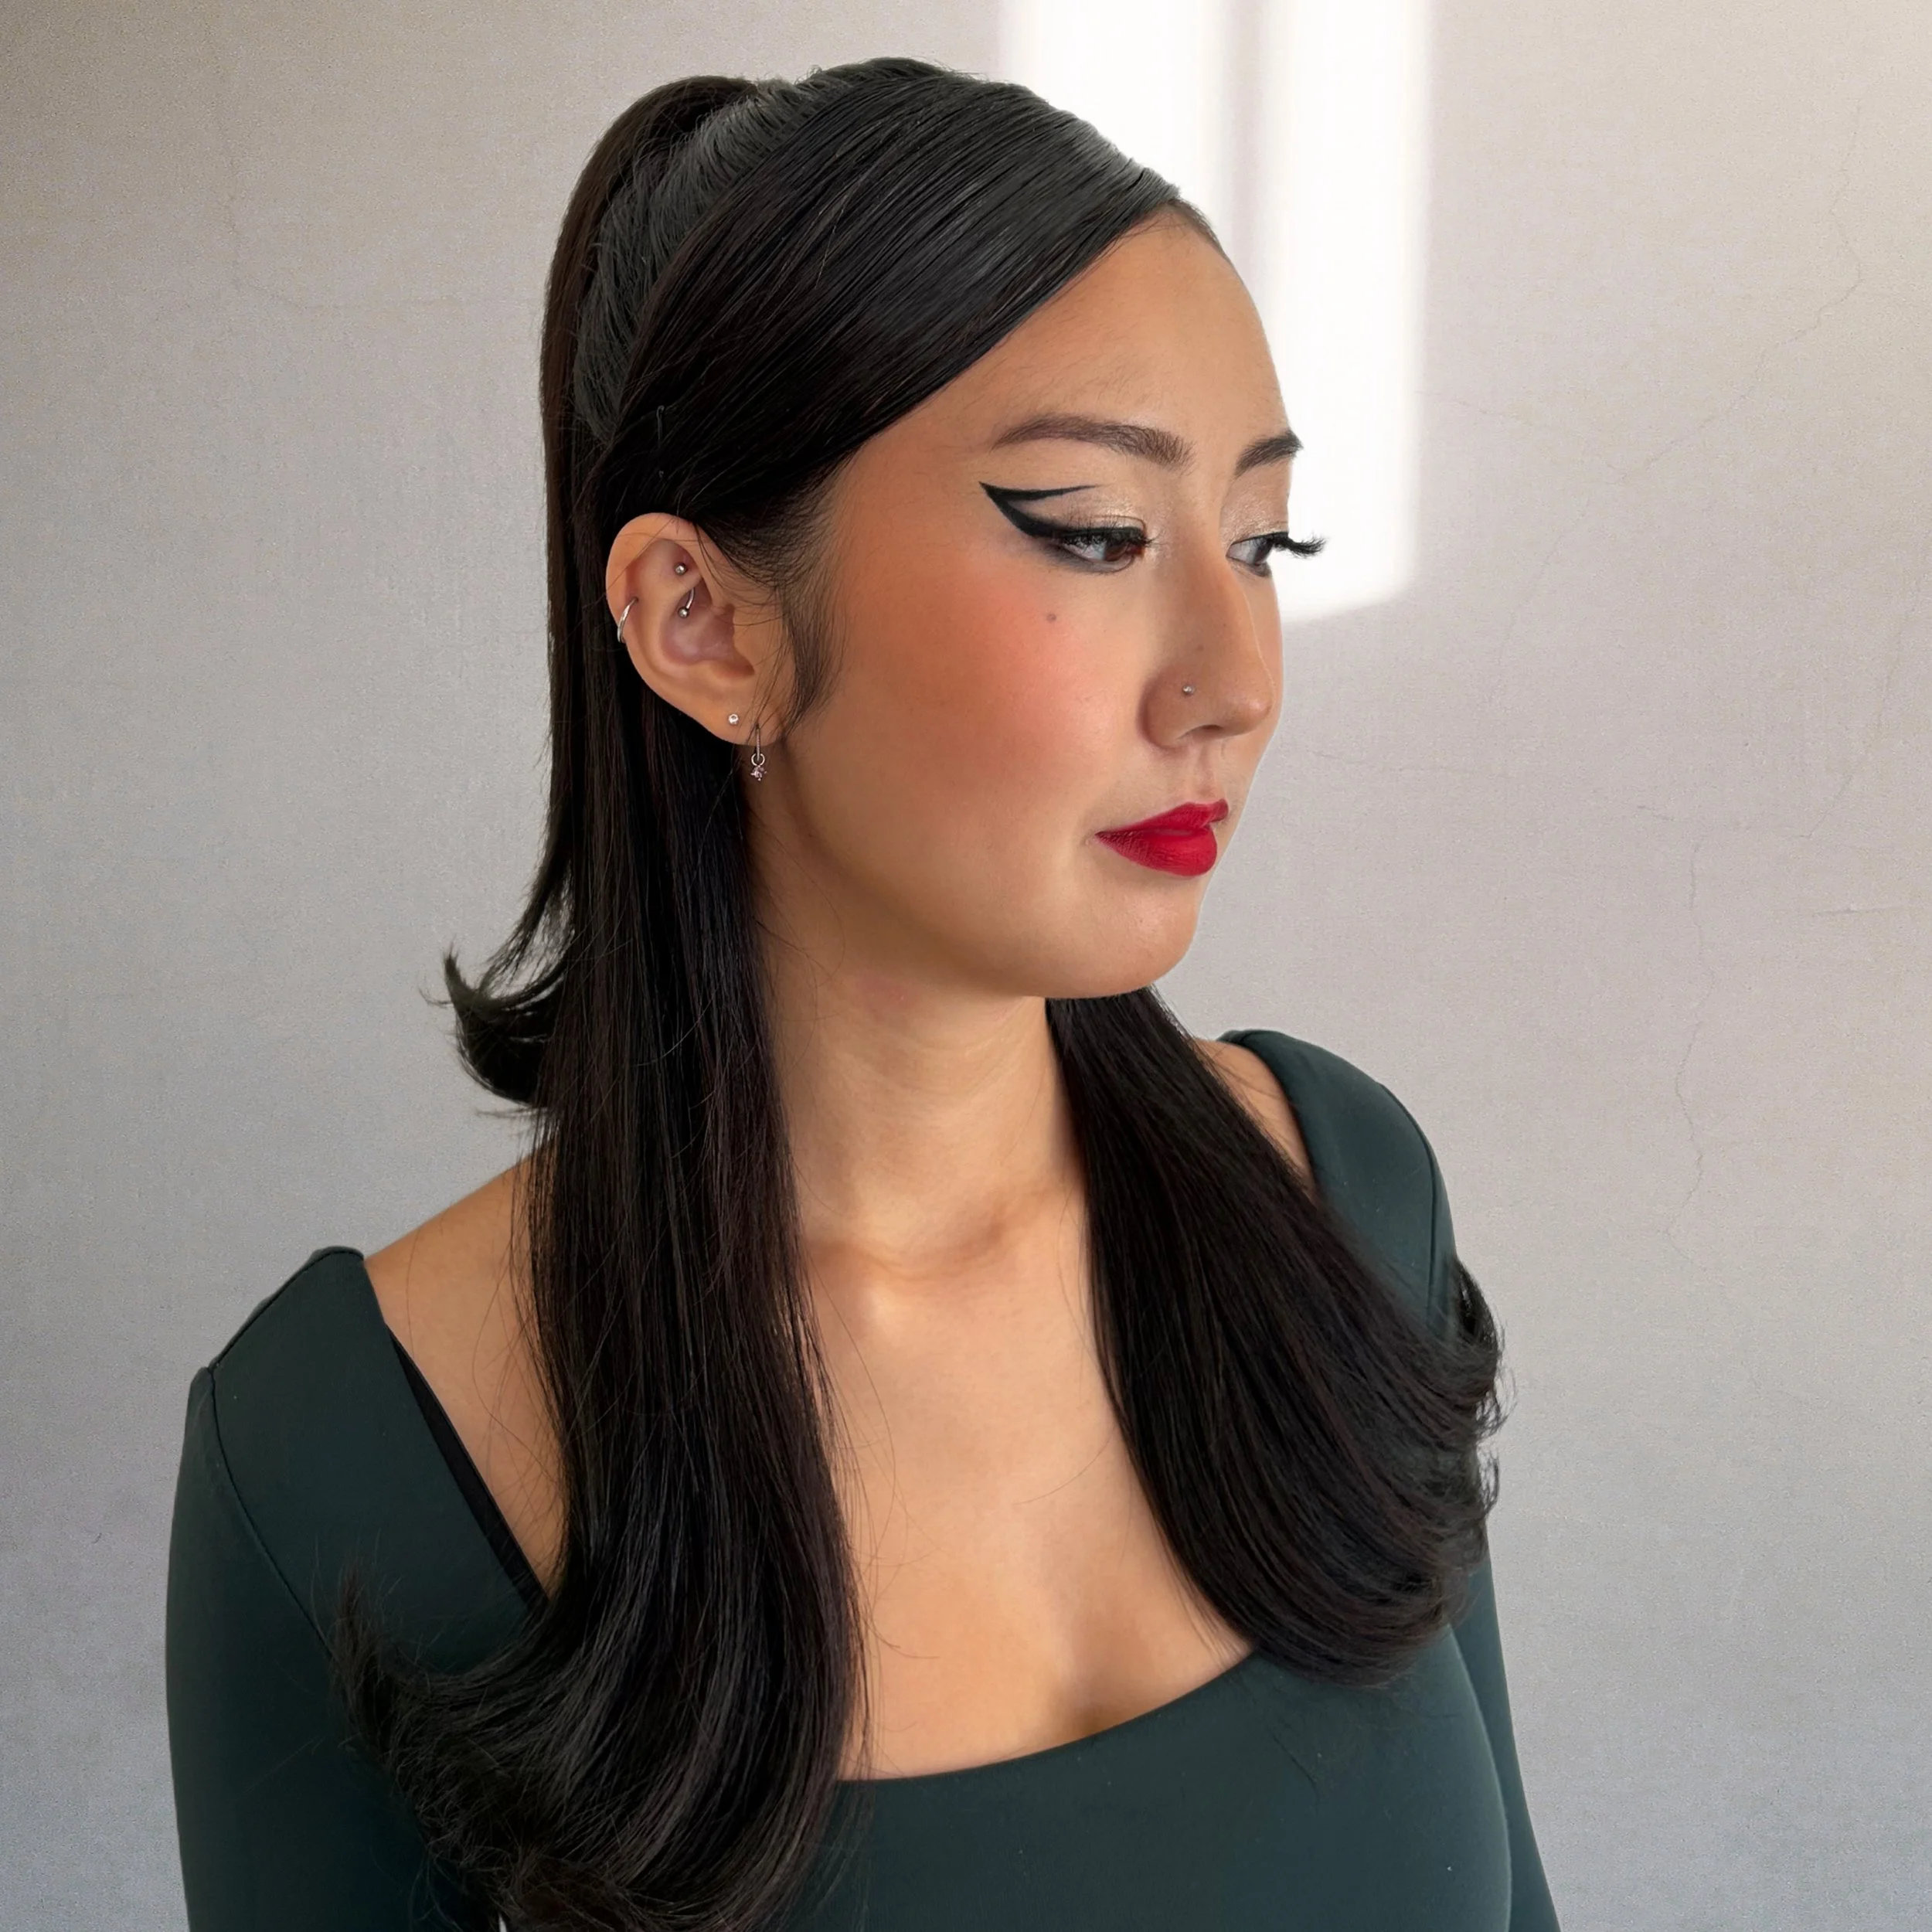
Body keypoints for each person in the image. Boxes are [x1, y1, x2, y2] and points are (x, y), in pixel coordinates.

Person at [164, 54, 1560, 1932]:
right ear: (702, 621)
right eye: (1088, 527)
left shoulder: (1340, 1195)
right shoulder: (353, 1453)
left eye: (1259, 541)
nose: (1232, 676)